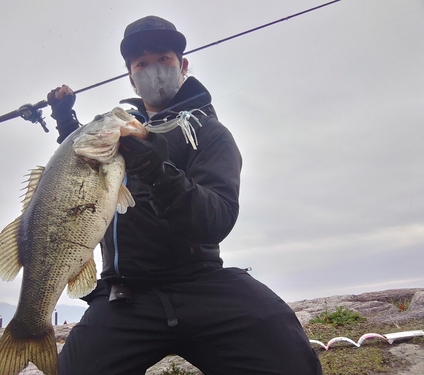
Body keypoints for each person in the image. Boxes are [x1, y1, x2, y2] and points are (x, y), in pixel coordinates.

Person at [47, 15, 322, 375]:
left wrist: (154, 169)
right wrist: (66, 122)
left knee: (288, 357)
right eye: (141, 64)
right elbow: (83, 167)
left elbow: (216, 220)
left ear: (183, 65)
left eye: (164, 59)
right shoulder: (117, 133)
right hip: (125, 295)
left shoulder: (209, 133)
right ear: (130, 76)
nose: (153, 70)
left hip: (201, 281)